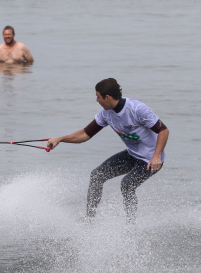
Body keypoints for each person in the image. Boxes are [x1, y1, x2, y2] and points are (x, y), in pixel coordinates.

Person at [47, 78, 169, 222]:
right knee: (97, 175)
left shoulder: (137, 109)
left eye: (98, 96)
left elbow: (163, 131)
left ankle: (131, 224)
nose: (96, 100)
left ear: (108, 97)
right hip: (132, 155)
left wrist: (156, 157)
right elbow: (85, 134)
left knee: (127, 184)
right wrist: (60, 139)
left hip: (150, 160)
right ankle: (89, 220)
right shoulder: (106, 113)